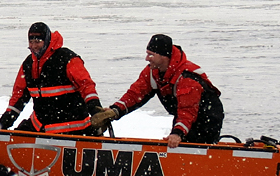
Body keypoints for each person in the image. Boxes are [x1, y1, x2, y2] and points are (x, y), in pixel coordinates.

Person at [91, 34, 224, 147]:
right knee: (178, 142)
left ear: (164, 56)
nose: (146, 58)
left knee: (189, 144)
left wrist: (178, 133)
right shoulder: (152, 71)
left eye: (151, 55)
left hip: (207, 118)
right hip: (183, 115)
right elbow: (136, 93)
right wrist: (116, 110)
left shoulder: (187, 78)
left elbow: (187, 111)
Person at [0, 22, 103, 135]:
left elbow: (86, 86)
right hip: (40, 126)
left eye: (38, 42)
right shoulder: (28, 64)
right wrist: (2, 124)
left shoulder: (67, 59)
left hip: (74, 129)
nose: (34, 46)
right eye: (31, 42)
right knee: (16, 137)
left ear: (46, 41)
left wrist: (96, 110)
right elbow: (19, 97)